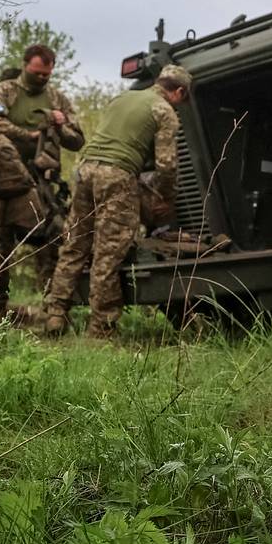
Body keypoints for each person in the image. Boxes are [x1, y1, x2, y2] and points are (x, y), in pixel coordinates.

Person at [43, 65, 192, 339]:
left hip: (85, 170)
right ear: (179, 91)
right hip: (117, 175)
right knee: (108, 253)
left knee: (75, 244)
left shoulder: (122, 98)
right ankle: (101, 330)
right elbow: (166, 165)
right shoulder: (164, 110)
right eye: (183, 100)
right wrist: (166, 197)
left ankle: (55, 315)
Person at [0, 44, 83, 321]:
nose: (42, 79)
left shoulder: (57, 98)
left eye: (47, 75)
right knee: (0, 244)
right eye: (37, 73)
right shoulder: (6, 91)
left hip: (42, 183)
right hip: (6, 181)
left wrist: (60, 125)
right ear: (25, 65)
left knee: (52, 241)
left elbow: (77, 140)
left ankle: (52, 310)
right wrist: (27, 135)